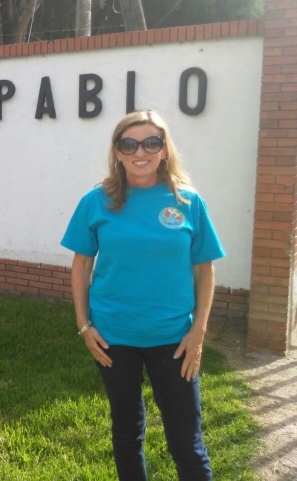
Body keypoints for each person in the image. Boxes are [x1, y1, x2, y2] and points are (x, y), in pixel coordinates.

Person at [61, 110, 224, 481]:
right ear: (117, 152)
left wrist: (198, 332)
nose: (141, 152)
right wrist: (84, 325)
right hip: (113, 338)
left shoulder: (188, 202)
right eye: (129, 144)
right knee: (126, 431)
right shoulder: (97, 201)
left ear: (164, 150)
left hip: (175, 339)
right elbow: (82, 265)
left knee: (187, 442)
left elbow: (204, 270)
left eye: (151, 143)